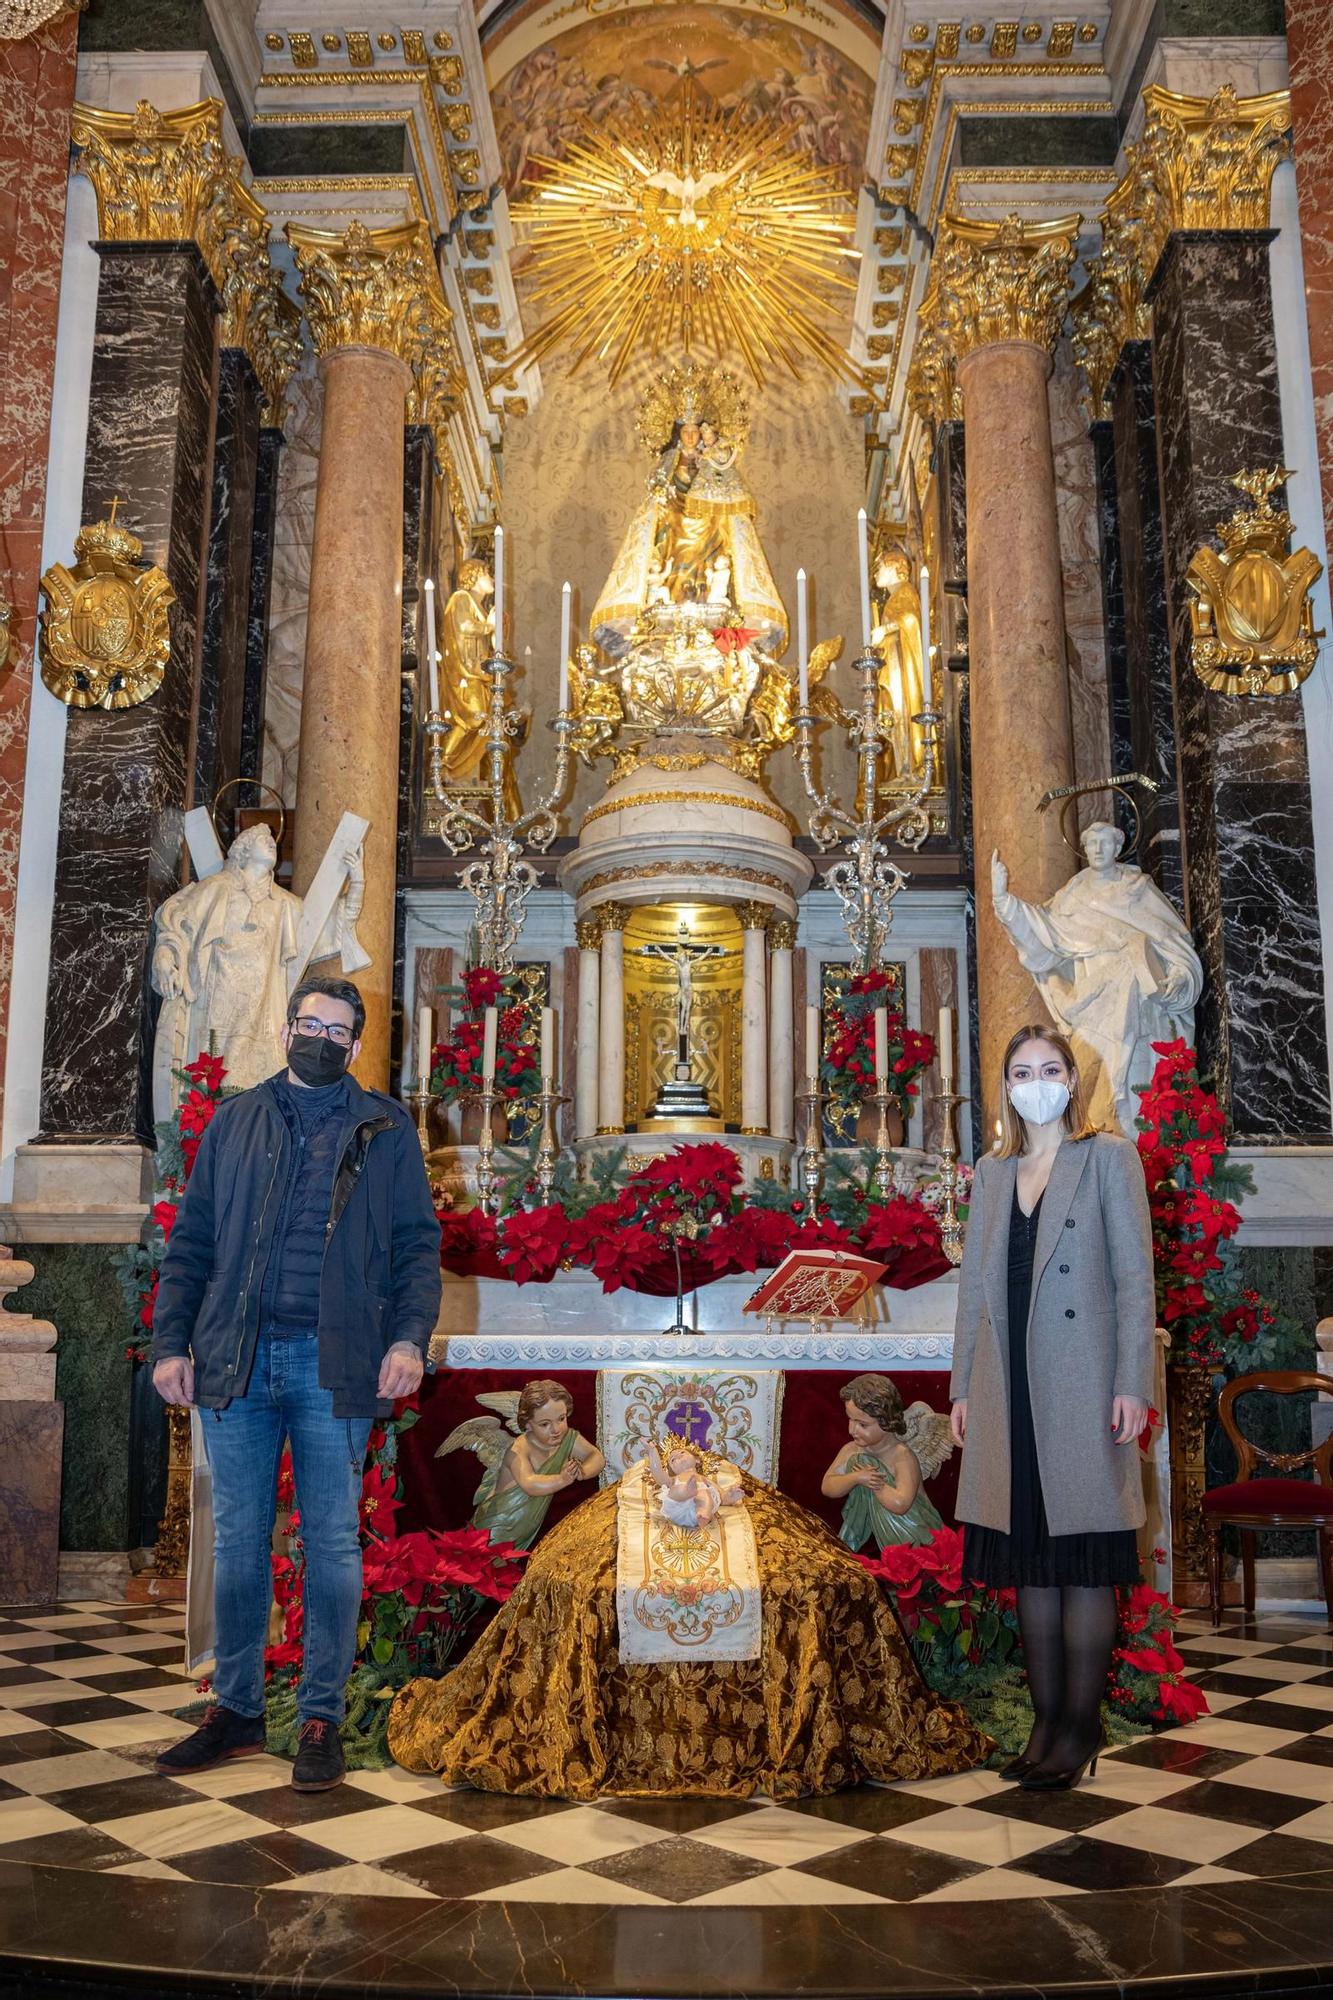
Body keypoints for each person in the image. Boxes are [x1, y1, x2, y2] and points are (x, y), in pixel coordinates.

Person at [150, 976, 443, 1793]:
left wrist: (409, 1339)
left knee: (332, 1545)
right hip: (234, 1359)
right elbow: (192, 1243)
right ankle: (236, 1708)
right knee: (239, 1542)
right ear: (285, 1031)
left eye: (336, 1029)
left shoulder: (384, 1128)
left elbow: (418, 1247)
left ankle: (320, 1714)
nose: (320, 1036)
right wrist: (171, 1343)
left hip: (334, 1361)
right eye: (307, 1023)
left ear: (354, 1046)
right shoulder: (236, 1120)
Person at [949, 1025, 1154, 1791]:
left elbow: (1135, 1281)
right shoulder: (993, 1172)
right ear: (1004, 1087)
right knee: (1031, 1564)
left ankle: (1079, 1726)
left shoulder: (1106, 1157)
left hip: (1084, 1384)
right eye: (1020, 1071)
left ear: (1072, 1080)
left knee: (1081, 1562)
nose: (1035, 1081)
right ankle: (1041, 1726)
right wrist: (964, 1387)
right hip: (1009, 1391)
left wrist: (1131, 1381)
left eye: (1049, 1069)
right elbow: (974, 1292)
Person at [821, 1372, 945, 1552]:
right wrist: (856, 1478)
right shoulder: (851, 1450)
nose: (851, 1429)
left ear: (886, 1422)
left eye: (862, 1425)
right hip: (881, 1543)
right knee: (858, 1459)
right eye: (850, 1419)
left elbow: (901, 1505)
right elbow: (827, 1486)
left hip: (914, 1538)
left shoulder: (901, 1456)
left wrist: (877, 1484)